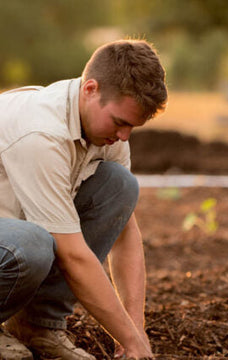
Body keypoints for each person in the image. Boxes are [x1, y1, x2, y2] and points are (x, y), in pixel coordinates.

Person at [0, 38, 167, 360]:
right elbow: (73, 256)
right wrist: (131, 343)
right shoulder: (41, 135)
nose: (124, 136)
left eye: (132, 126)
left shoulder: (104, 130)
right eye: (120, 122)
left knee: (120, 186)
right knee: (31, 244)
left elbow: (124, 230)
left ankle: (38, 325)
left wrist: (134, 330)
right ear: (90, 89)